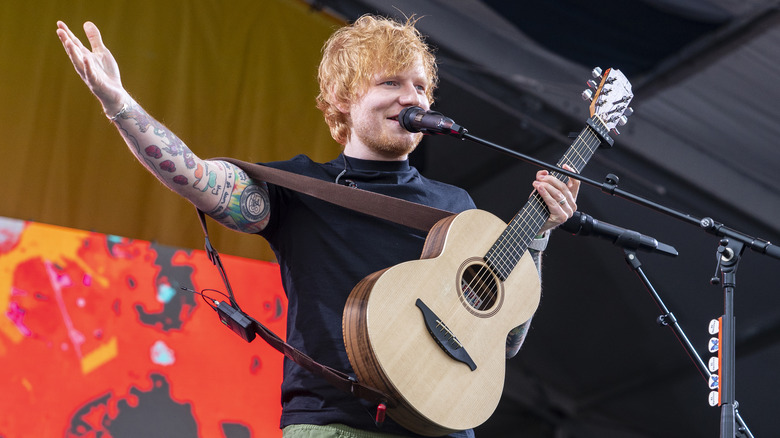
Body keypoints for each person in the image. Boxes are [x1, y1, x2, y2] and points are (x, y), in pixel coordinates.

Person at [56, 14, 579, 438]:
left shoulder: (458, 205)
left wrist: (538, 236)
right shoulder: (299, 188)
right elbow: (196, 177)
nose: (412, 97)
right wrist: (119, 105)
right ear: (343, 102)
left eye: (420, 87)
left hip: (446, 427)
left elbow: (503, 340)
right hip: (336, 424)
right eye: (391, 82)